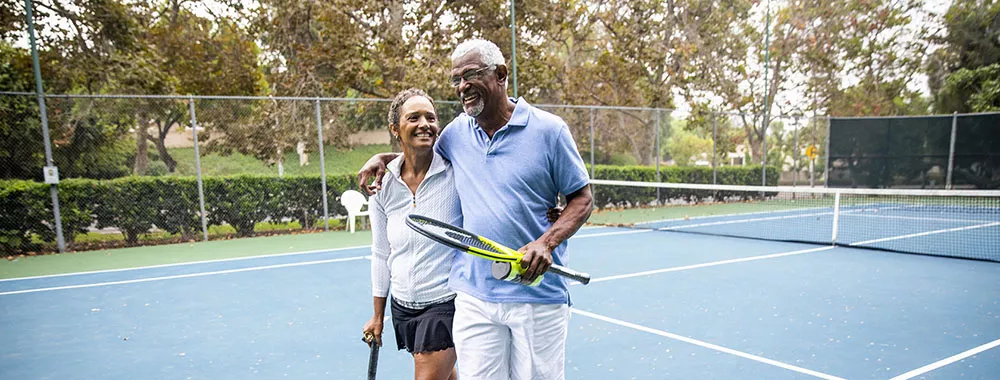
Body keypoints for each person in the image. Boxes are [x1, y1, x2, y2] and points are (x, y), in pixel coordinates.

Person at [358, 39, 593, 380]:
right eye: (456, 79)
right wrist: (382, 159)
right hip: (474, 295)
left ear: (501, 74)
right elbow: (417, 152)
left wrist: (548, 242)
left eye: (470, 75)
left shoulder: (550, 131)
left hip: (537, 295)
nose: (462, 86)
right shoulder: (455, 134)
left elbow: (582, 199)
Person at [362, 88, 461, 380]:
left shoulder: (457, 173)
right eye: (413, 117)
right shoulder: (383, 185)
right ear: (395, 129)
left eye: (430, 117)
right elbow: (381, 254)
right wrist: (378, 315)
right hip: (403, 306)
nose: (424, 124)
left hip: (446, 301)